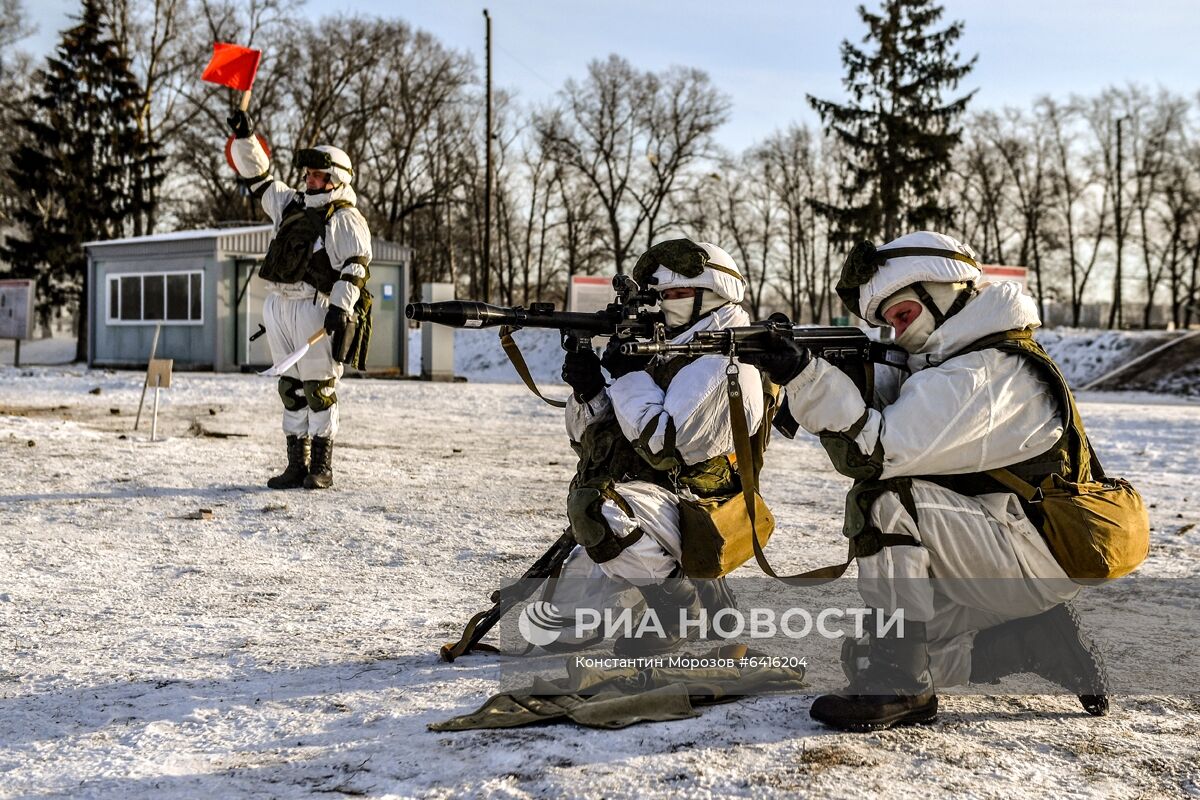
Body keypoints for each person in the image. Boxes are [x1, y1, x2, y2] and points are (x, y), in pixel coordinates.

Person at [741, 230, 1108, 731]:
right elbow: (902, 408)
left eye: (903, 315)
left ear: (941, 289)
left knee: (885, 498)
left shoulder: (986, 371)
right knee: (871, 652)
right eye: (888, 323)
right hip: (1008, 542)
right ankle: (1031, 640)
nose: (898, 331)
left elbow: (875, 453)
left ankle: (903, 688)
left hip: (1030, 552)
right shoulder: (959, 360)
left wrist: (805, 376)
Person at [551, 238, 765, 656]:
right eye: (662, 296)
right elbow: (593, 443)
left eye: (678, 294)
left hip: (699, 510)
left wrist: (627, 377)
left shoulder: (727, 360)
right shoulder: (668, 348)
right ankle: (684, 594)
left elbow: (665, 447)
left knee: (597, 512)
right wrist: (590, 390)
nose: (666, 304)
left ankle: (682, 608)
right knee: (566, 623)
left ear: (715, 294)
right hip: (650, 500)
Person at [226, 110, 372, 490]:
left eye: (317, 175)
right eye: (307, 174)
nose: (309, 180)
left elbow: (355, 267)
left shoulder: (344, 217)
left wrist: (341, 307)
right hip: (278, 306)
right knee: (289, 388)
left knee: (318, 388)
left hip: (315, 307)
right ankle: (296, 465)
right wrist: (246, 137)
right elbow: (258, 177)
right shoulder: (290, 204)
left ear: (335, 178)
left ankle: (321, 466)